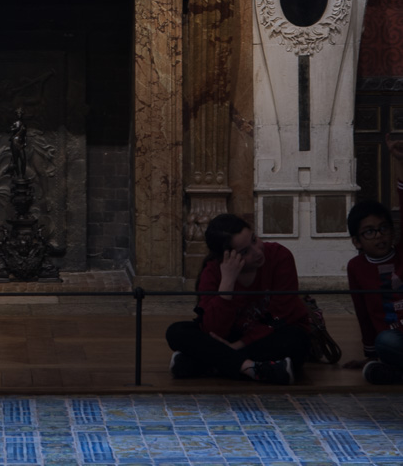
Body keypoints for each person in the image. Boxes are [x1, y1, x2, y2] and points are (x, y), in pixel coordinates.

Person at [166, 213, 311, 385]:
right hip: (232, 335)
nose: (257, 252)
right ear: (225, 257)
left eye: (254, 240)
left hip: (270, 334)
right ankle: (255, 369)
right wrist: (227, 283)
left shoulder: (280, 256)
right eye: (244, 252)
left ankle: (207, 364)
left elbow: (280, 317)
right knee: (176, 332)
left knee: (297, 340)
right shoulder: (212, 272)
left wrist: (234, 348)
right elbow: (214, 330)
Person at [344, 134, 403, 384]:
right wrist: (370, 355)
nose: (379, 236)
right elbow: (363, 313)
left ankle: (393, 375)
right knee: (385, 342)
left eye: (383, 228)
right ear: (357, 241)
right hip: (394, 340)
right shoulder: (357, 267)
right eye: (370, 231)